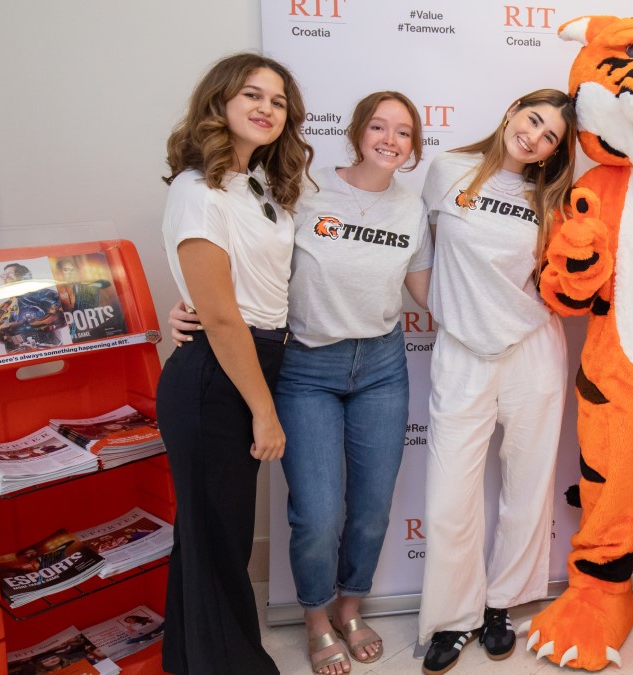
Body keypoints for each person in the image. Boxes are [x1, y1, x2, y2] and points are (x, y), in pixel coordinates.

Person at [168, 90, 432, 674]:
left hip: (383, 367)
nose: (390, 140)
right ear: (358, 131)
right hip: (308, 367)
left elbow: (425, 289)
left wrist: (498, 312)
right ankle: (316, 618)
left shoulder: (411, 209)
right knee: (317, 513)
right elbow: (252, 260)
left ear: (415, 146)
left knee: (371, 508)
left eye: (404, 133)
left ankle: (351, 606)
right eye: (379, 128)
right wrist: (190, 307)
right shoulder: (303, 192)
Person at [157, 52, 312, 675]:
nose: (265, 108)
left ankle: (188, 660)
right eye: (252, 95)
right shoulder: (198, 190)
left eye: (277, 101)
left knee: (206, 535)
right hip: (219, 377)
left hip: (249, 359)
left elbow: (241, 285)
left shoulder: (259, 186)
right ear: (219, 102)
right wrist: (264, 413)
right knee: (218, 540)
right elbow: (222, 319)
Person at [416, 89, 577, 675]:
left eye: (550, 137)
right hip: (462, 350)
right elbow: (417, 252)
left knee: (527, 485)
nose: (535, 137)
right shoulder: (448, 169)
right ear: (511, 112)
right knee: (448, 499)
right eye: (533, 120)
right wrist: (442, 308)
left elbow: (564, 281)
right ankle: (454, 618)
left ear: (553, 152)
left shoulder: (554, 198)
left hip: (534, 346)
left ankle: (501, 605)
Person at [0, 263, 67, 352]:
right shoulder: (4, 306)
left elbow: (62, 318)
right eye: (4, 275)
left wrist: (20, 324)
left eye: (11, 273)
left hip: (49, 351)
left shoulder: (45, 294)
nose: (7, 277)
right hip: (17, 357)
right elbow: (7, 339)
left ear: (25, 275)